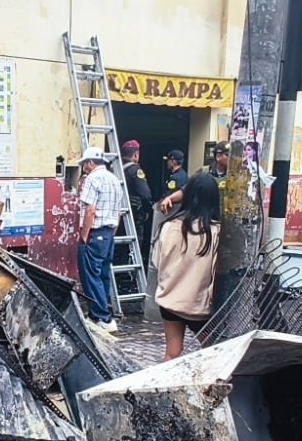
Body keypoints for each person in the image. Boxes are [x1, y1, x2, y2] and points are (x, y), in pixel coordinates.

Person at [153, 172, 221, 361]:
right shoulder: (217, 233)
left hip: (169, 301)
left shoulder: (169, 226)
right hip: (197, 306)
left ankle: (165, 389)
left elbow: (156, 262)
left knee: (172, 353)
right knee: (212, 352)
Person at [76, 147, 127, 334]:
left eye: (84, 163)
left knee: (90, 275)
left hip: (94, 232)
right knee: (102, 274)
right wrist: (111, 234)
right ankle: (104, 314)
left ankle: (101, 317)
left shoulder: (92, 179)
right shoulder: (115, 180)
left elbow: (90, 210)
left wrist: (84, 235)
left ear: (90, 163)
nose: (84, 167)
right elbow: (120, 213)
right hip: (108, 234)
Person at [120, 139, 154, 270]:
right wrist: (147, 210)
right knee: (134, 247)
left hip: (118, 214)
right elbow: (145, 194)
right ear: (135, 155)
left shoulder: (115, 168)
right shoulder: (135, 170)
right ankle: (130, 276)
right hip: (134, 215)